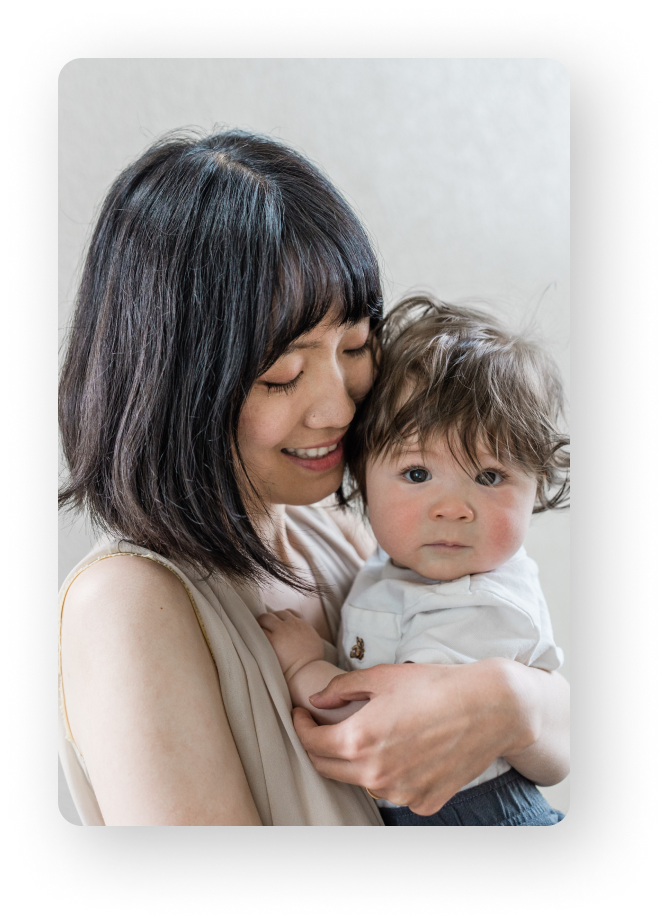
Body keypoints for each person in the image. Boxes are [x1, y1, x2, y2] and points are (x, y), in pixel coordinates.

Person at [58, 130, 570, 826]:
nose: (340, 407)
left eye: (355, 345)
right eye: (283, 374)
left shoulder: (336, 538)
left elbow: (550, 739)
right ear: (172, 381)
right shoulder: (127, 603)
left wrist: (512, 701)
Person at [261, 296, 569, 825]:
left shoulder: (484, 605)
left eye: (490, 476)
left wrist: (304, 667)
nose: (452, 509)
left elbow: (386, 727)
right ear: (362, 476)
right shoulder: (390, 564)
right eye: (417, 474)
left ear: (536, 485)